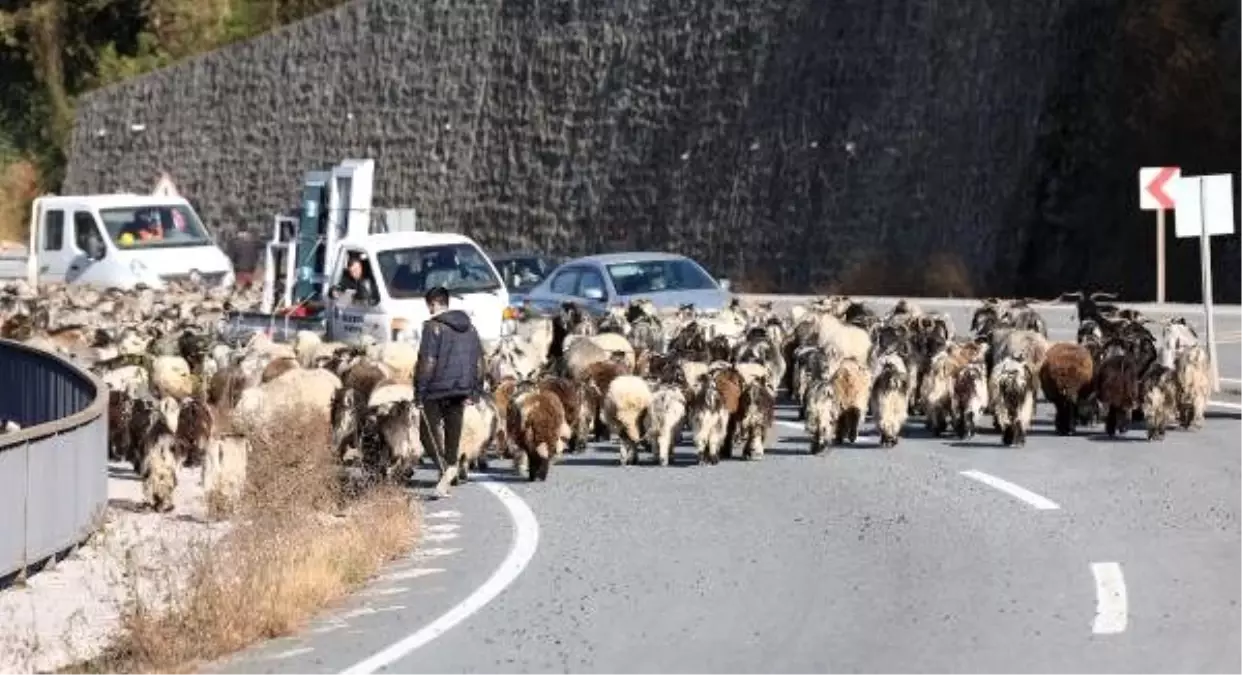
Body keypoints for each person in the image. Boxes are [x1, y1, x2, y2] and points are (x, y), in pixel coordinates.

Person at [414, 286, 485, 498]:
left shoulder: (432, 327)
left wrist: (420, 390)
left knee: (428, 433)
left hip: (436, 389)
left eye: (429, 305)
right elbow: (479, 361)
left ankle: (445, 470)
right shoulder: (470, 328)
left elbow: (427, 361)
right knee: (453, 434)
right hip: (461, 389)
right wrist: (475, 390)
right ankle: (450, 468)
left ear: (433, 304)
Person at [227, 224, 263, 289]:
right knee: (250, 289)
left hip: (239, 271)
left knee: (239, 290)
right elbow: (261, 246)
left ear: (238, 232)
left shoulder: (234, 242)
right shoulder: (254, 241)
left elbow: (230, 258)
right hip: (251, 270)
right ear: (247, 232)